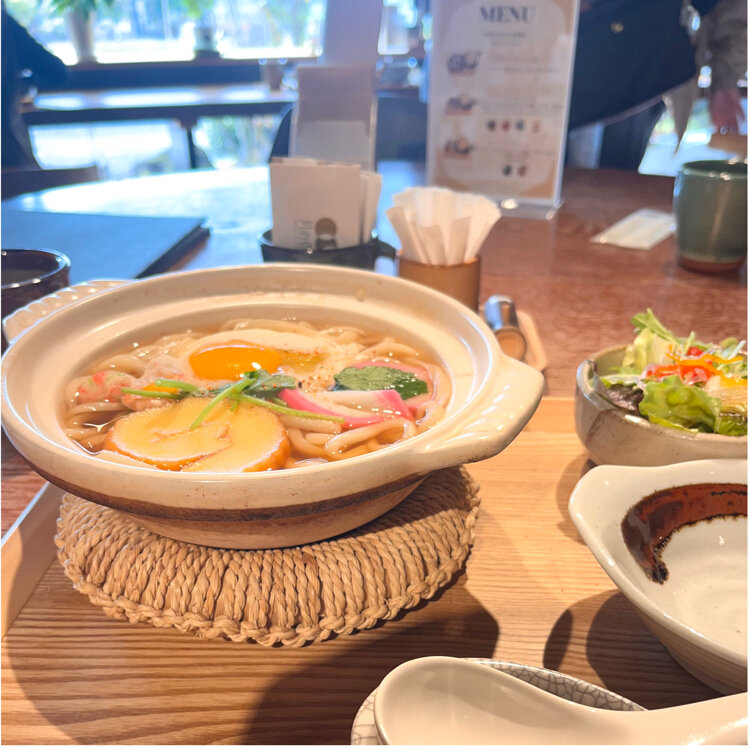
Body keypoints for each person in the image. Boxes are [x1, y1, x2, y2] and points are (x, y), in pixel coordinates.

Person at [566, 0, 746, 170]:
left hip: (640, 56)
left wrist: (725, 79)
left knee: (611, 176)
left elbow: (728, 6)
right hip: (563, 45)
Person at [2, 4, 67, 169]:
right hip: (10, 163)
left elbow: (58, 72)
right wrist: (22, 83)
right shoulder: (7, 28)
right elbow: (57, 73)